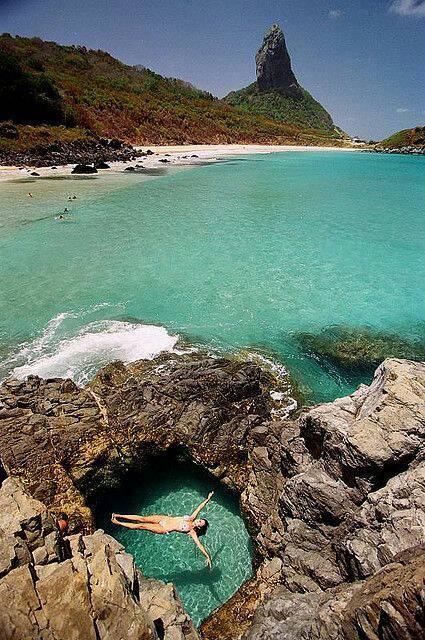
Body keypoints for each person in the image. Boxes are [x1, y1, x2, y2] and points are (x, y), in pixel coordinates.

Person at [112, 491, 214, 568]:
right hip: (163, 518)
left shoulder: (191, 532)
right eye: (200, 520)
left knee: (141, 526)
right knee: (142, 518)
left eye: (200, 522)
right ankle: (118, 515)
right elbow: (200, 507)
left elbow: (199, 545)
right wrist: (208, 499)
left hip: (163, 528)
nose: (198, 520)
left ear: (199, 527)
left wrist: (207, 556)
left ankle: (118, 522)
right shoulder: (192, 517)